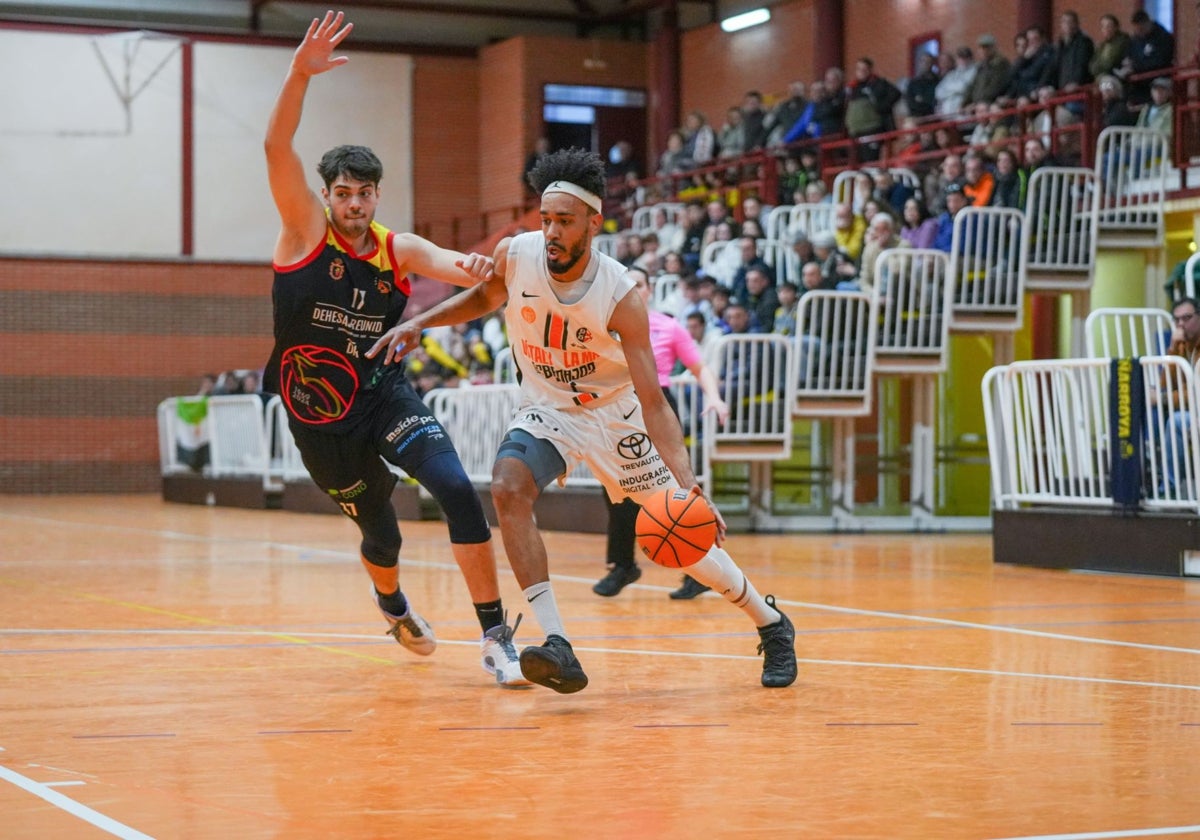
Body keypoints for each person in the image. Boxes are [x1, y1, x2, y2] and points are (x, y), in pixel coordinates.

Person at [367, 148, 798, 692]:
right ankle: (558, 644)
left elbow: (655, 400)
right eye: (546, 219)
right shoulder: (516, 254)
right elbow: (484, 296)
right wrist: (420, 323)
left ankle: (770, 622)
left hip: (615, 419)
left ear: (593, 224)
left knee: (687, 542)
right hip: (548, 411)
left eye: (564, 222)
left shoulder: (620, 296)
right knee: (507, 487)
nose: (550, 231)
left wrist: (688, 486)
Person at [262, 11, 527, 687]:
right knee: (382, 536)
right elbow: (275, 147)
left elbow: (453, 264)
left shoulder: (395, 248)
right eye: (342, 194)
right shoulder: (302, 236)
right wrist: (300, 72)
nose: (353, 203)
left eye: (364, 193)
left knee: (456, 491)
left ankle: (496, 635)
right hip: (322, 420)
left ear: (377, 195)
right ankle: (392, 603)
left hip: (386, 395)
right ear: (326, 196)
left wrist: (474, 268)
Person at [591, 266, 732, 600]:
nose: (632, 290)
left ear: (649, 290)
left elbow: (700, 367)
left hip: (658, 407)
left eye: (638, 284)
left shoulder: (668, 327)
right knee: (616, 492)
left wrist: (714, 397)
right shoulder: (604, 326)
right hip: (619, 409)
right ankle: (623, 566)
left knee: (676, 494)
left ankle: (698, 570)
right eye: (626, 285)